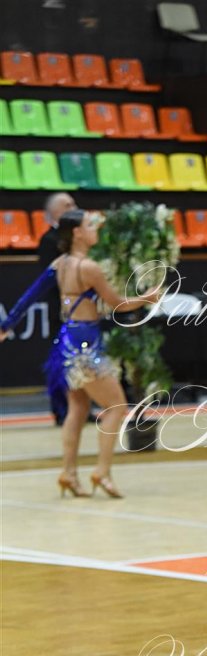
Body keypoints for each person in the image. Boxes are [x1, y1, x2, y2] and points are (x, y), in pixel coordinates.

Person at [0, 209, 161, 499]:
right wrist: (146, 298)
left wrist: (7, 325)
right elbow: (117, 303)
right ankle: (102, 471)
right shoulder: (89, 267)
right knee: (116, 407)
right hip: (86, 345)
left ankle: (68, 473)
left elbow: (29, 296)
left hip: (66, 342)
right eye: (90, 225)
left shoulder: (59, 264)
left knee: (77, 409)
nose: (95, 228)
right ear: (77, 232)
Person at [38, 192, 78, 425]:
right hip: (60, 309)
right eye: (67, 204)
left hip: (81, 310)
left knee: (80, 361)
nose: (74, 206)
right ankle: (61, 410)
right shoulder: (48, 240)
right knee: (61, 360)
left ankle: (80, 408)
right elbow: (50, 279)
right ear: (55, 212)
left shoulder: (77, 240)